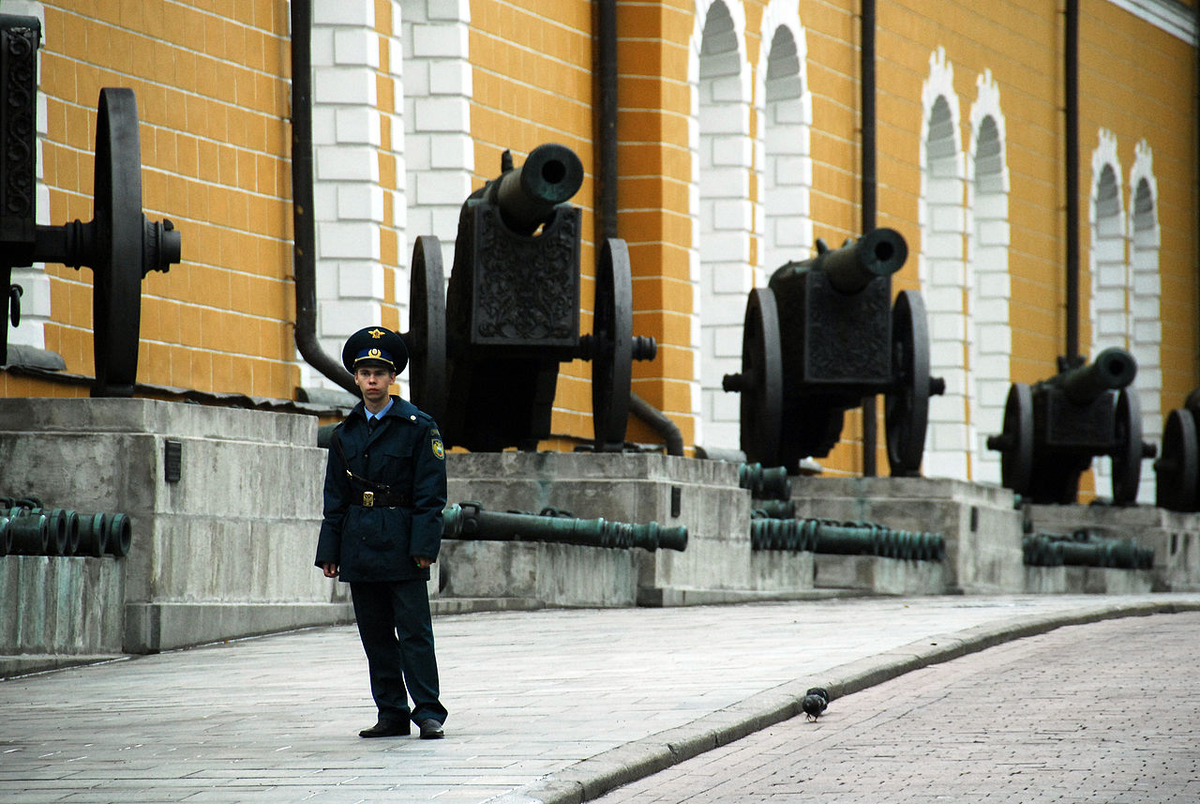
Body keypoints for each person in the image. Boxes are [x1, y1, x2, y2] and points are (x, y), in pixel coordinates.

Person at [315, 325, 449, 739]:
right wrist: (330, 551)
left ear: (393, 378)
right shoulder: (345, 433)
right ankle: (391, 711)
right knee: (375, 634)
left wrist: (425, 546)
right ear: (356, 378)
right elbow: (335, 497)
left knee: (414, 633)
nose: (372, 380)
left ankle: (427, 711)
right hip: (359, 541)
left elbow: (431, 495)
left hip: (403, 540)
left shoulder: (417, 427)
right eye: (365, 373)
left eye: (380, 372)